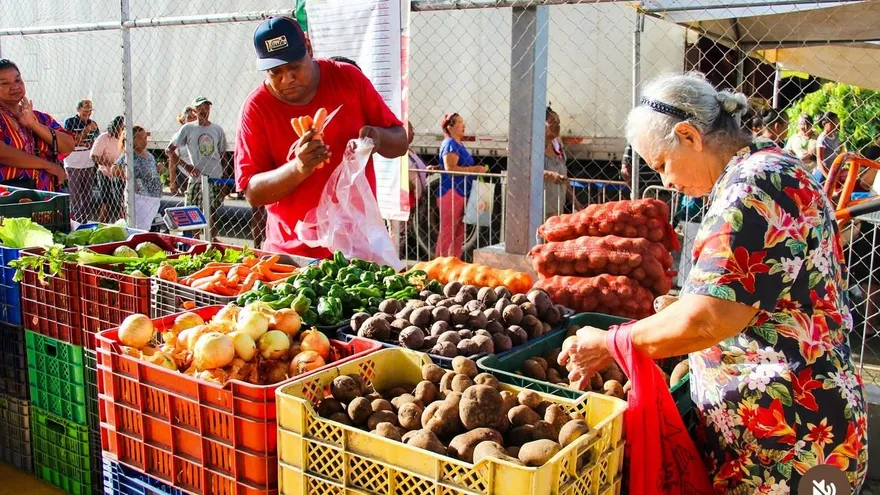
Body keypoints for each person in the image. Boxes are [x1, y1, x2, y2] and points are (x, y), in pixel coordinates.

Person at [559, 73, 867, 493]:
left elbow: (709, 319)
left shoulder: (753, 186)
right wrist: (684, 303)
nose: (666, 181)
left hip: (791, 442)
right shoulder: (772, 169)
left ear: (689, 135)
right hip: (794, 431)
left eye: (662, 164)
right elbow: (757, 295)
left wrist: (608, 342)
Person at [235, 16, 407, 257]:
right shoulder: (256, 108)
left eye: (294, 66)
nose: (287, 79)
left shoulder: (347, 78)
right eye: (275, 72)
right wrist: (299, 167)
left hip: (358, 247)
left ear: (308, 48)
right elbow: (252, 192)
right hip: (292, 255)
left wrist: (377, 137)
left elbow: (400, 141)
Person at [0, 59, 71, 190]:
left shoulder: (39, 117)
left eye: (17, 80)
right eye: (4, 83)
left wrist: (34, 125)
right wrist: (48, 165)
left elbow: (68, 145)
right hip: (9, 201)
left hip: (47, 196)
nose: (15, 87)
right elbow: (2, 152)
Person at [167, 97, 229, 238]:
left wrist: (225, 179)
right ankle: (197, 241)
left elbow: (223, 155)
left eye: (206, 108)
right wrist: (186, 166)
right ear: (195, 111)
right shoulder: (188, 128)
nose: (204, 111)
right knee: (194, 212)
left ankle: (212, 240)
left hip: (214, 176)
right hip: (196, 177)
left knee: (212, 211)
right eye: (200, 108)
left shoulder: (217, 129)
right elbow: (169, 150)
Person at [435, 112, 488, 258]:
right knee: (448, 232)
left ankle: (454, 263)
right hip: (451, 192)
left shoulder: (458, 144)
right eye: (459, 122)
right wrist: (474, 169)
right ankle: (440, 264)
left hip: (462, 192)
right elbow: (450, 168)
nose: (463, 125)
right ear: (450, 127)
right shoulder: (449, 144)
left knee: (459, 234)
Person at [113, 126, 162, 231]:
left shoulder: (149, 155)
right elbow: (114, 169)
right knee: (140, 228)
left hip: (153, 197)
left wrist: (159, 168)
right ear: (131, 140)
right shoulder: (130, 154)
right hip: (140, 196)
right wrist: (131, 179)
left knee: (148, 227)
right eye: (140, 138)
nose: (144, 141)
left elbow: (151, 171)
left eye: (145, 138)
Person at [63, 99, 100, 222]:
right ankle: (75, 219)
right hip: (73, 164)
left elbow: (96, 142)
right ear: (78, 110)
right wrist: (86, 131)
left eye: (89, 112)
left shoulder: (93, 123)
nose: (87, 115)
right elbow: (71, 142)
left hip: (88, 163)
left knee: (87, 195)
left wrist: (88, 141)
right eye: (85, 112)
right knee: (75, 195)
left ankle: (84, 220)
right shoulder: (70, 122)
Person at [543, 105, 575, 218]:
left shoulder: (558, 146)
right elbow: (526, 170)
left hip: (557, 210)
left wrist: (575, 202)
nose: (557, 125)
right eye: (552, 122)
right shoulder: (533, 147)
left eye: (558, 122)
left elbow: (564, 178)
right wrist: (548, 174)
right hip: (539, 210)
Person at [90, 116, 125, 222]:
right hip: (105, 172)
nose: (123, 130)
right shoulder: (104, 137)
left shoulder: (125, 138)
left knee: (122, 201)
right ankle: (101, 224)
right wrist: (109, 164)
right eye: (121, 128)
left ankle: (123, 223)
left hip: (120, 174)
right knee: (107, 202)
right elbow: (94, 156)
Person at [168, 106, 197, 196]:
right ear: (183, 120)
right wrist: (172, 181)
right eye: (189, 118)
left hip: (200, 172)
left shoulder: (201, 134)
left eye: (194, 117)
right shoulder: (178, 136)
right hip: (185, 173)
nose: (192, 120)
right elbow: (172, 158)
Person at [815, 111, 843, 182]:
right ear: (824, 124)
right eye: (833, 123)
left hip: (833, 171)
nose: (836, 126)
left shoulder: (836, 136)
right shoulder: (822, 139)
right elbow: (820, 162)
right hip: (823, 174)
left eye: (837, 123)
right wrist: (829, 178)